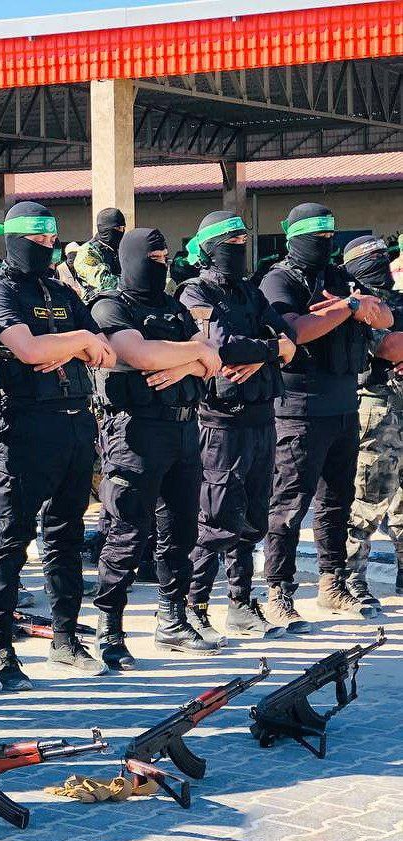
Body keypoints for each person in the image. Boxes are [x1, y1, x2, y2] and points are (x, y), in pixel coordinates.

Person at [0, 203, 115, 683]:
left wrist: (73, 345)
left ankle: (65, 639)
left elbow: (105, 350)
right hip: (24, 429)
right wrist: (76, 343)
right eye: (36, 240)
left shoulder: (61, 290)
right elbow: (29, 349)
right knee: (10, 540)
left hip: (75, 425)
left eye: (51, 239)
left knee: (66, 538)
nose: (46, 247)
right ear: (14, 241)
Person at [91, 227, 223, 666]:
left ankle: (172, 619)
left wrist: (185, 362)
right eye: (154, 258)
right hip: (135, 433)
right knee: (127, 533)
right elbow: (139, 355)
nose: (161, 265)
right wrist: (192, 355)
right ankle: (109, 626)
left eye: (166, 257)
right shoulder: (110, 305)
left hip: (184, 431)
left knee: (181, 533)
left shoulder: (173, 306)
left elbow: (213, 359)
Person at [259, 204, 393, 628]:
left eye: (329, 235)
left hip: (343, 406)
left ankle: (332, 584)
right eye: (316, 236)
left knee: (336, 502)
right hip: (299, 409)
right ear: (294, 237)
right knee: (289, 505)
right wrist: (349, 307)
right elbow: (296, 330)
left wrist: (353, 305)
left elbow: (384, 316)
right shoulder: (278, 280)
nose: (324, 242)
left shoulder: (338, 278)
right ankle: (278, 591)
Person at [179, 212, 297, 641]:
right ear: (210, 249)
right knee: (215, 517)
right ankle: (193, 606)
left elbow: (289, 338)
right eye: (231, 242)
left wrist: (265, 352)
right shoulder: (195, 291)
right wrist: (271, 349)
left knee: (253, 517)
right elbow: (221, 345)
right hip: (220, 420)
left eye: (243, 240)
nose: (239, 248)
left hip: (262, 416)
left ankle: (241, 604)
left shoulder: (250, 290)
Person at [341, 235, 403, 606]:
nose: (382, 265)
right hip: (375, 408)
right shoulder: (357, 304)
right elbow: (389, 346)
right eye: (373, 259)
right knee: (368, 498)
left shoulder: (395, 301)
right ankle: (351, 580)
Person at [75, 208, 126, 304]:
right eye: (118, 228)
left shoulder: (118, 248)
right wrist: (133, 283)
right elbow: (103, 281)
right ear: (105, 229)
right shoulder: (87, 251)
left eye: (123, 228)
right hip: (96, 305)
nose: (122, 231)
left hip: (120, 302)